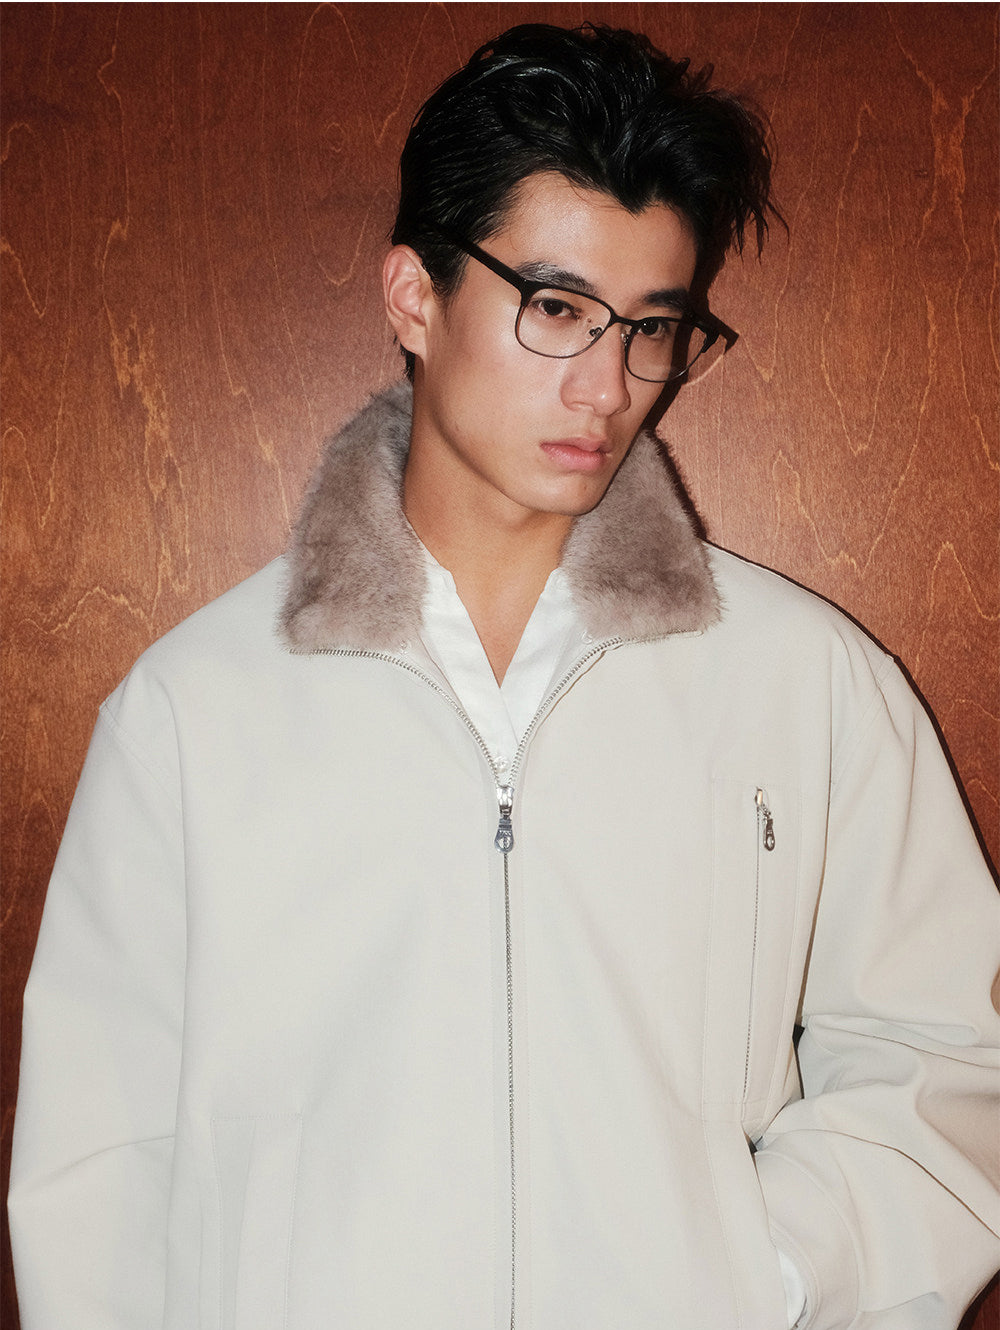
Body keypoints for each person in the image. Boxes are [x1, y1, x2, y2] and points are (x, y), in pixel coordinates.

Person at [8, 22, 999, 1330]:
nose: (608, 386)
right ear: (414, 297)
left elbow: (945, 1059)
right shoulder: (196, 707)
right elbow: (100, 1157)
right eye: (557, 309)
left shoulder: (806, 684)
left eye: (654, 327)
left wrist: (761, 1273)